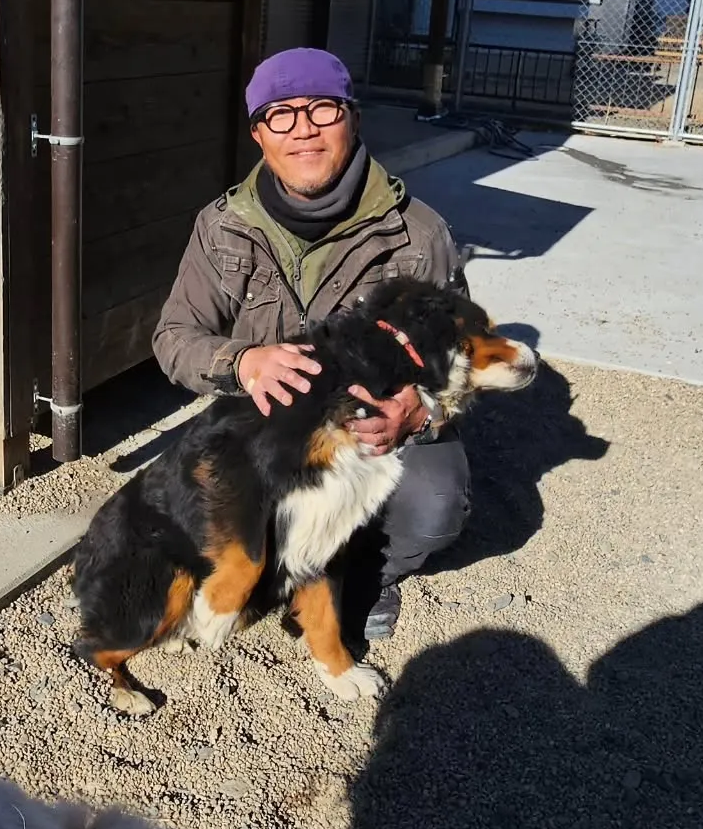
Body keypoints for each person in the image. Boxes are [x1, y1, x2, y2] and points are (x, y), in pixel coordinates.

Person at [152, 46, 471, 640]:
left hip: (367, 439)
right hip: (268, 431)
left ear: (351, 117)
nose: (303, 129)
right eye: (281, 114)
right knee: (183, 504)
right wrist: (241, 361)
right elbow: (173, 339)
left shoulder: (418, 233)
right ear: (259, 134)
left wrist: (417, 409)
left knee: (434, 504)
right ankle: (278, 567)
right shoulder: (222, 226)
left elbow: (458, 359)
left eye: (322, 109)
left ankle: (370, 573)